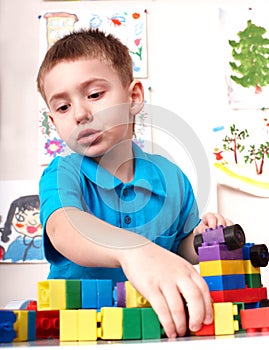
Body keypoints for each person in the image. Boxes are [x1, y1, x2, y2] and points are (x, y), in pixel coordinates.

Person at [37, 28, 232, 338]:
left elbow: (179, 249)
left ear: (134, 97)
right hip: (77, 332)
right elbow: (64, 228)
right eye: (63, 107)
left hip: (153, 326)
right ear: (53, 121)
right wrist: (133, 249)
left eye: (95, 95)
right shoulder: (63, 173)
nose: (80, 114)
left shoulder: (171, 178)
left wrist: (202, 240)